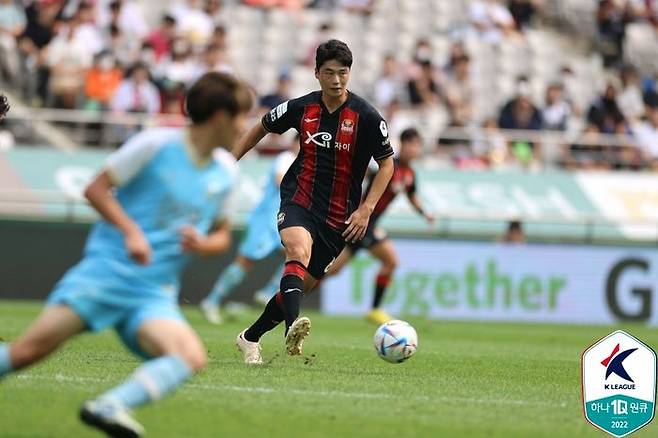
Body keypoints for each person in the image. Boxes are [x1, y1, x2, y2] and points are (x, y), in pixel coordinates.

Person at [0, 72, 252, 437]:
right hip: (106, 275)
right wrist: (132, 232)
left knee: (190, 357)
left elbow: (222, 237)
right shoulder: (155, 145)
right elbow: (96, 189)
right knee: (25, 353)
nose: (244, 126)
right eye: (241, 116)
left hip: (152, 293)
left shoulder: (226, 172)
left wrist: (202, 243)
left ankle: (110, 405)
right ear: (219, 117)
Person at [232, 39, 395, 364]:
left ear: (350, 73)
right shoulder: (300, 108)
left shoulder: (366, 116)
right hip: (299, 198)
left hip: (340, 216)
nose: (336, 80)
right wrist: (228, 163)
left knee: (297, 288)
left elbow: (388, 163)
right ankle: (294, 327)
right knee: (297, 251)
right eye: (330, 72)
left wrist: (365, 208)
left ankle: (249, 337)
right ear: (317, 72)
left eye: (343, 73)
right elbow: (261, 128)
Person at [324, 127, 434, 324]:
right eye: (412, 144)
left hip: (367, 225)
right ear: (403, 144)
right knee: (390, 261)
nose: (415, 149)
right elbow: (364, 171)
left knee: (331, 270)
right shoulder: (388, 167)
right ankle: (374, 310)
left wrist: (425, 214)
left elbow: (411, 196)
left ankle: (292, 291)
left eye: (418, 145)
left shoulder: (409, 174)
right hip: (362, 221)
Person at [199, 138, 300, 324]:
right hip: (264, 219)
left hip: (281, 219)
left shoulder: (300, 162)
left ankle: (268, 292)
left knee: (297, 253)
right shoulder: (287, 157)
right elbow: (280, 181)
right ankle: (212, 300)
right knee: (246, 261)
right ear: (295, 144)